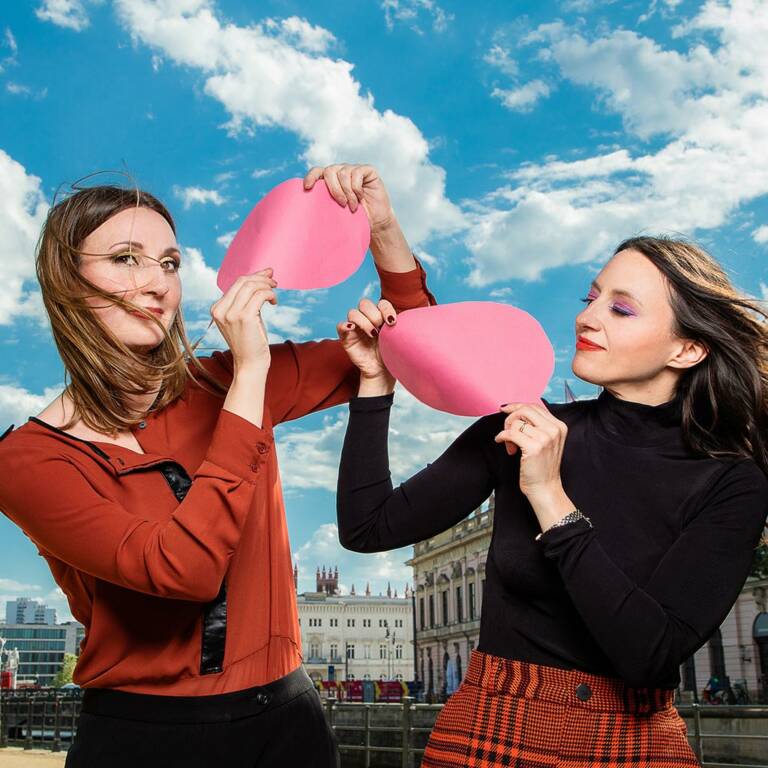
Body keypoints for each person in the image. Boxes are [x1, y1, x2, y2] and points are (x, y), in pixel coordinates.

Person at [0, 163, 435, 768]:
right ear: (67, 283)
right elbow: (185, 570)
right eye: (126, 257)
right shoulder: (27, 459)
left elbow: (414, 342)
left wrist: (381, 225)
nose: (157, 283)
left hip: (290, 729)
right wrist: (251, 376)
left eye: (170, 263)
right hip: (145, 741)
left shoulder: (218, 381)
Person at [334, 237, 768, 767]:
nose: (588, 318)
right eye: (591, 298)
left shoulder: (733, 482)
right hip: (488, 732)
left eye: (621, 308)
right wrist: (373, 384)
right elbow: (367, 528)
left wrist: (549, 496)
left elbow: (649, 654)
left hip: (633, 745)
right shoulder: (516, 427)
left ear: (687, 349)